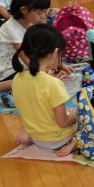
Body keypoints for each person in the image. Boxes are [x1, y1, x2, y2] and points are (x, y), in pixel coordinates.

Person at [11, 23, 77, 156]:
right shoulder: (53, 84)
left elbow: (35, 94)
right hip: (58, 139)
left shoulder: (17, 78)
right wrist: (78, 114)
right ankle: (74, 143)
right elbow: (63, 122)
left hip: (37, 137)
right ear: (56, 53)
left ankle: (27, 134)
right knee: (88, 116)